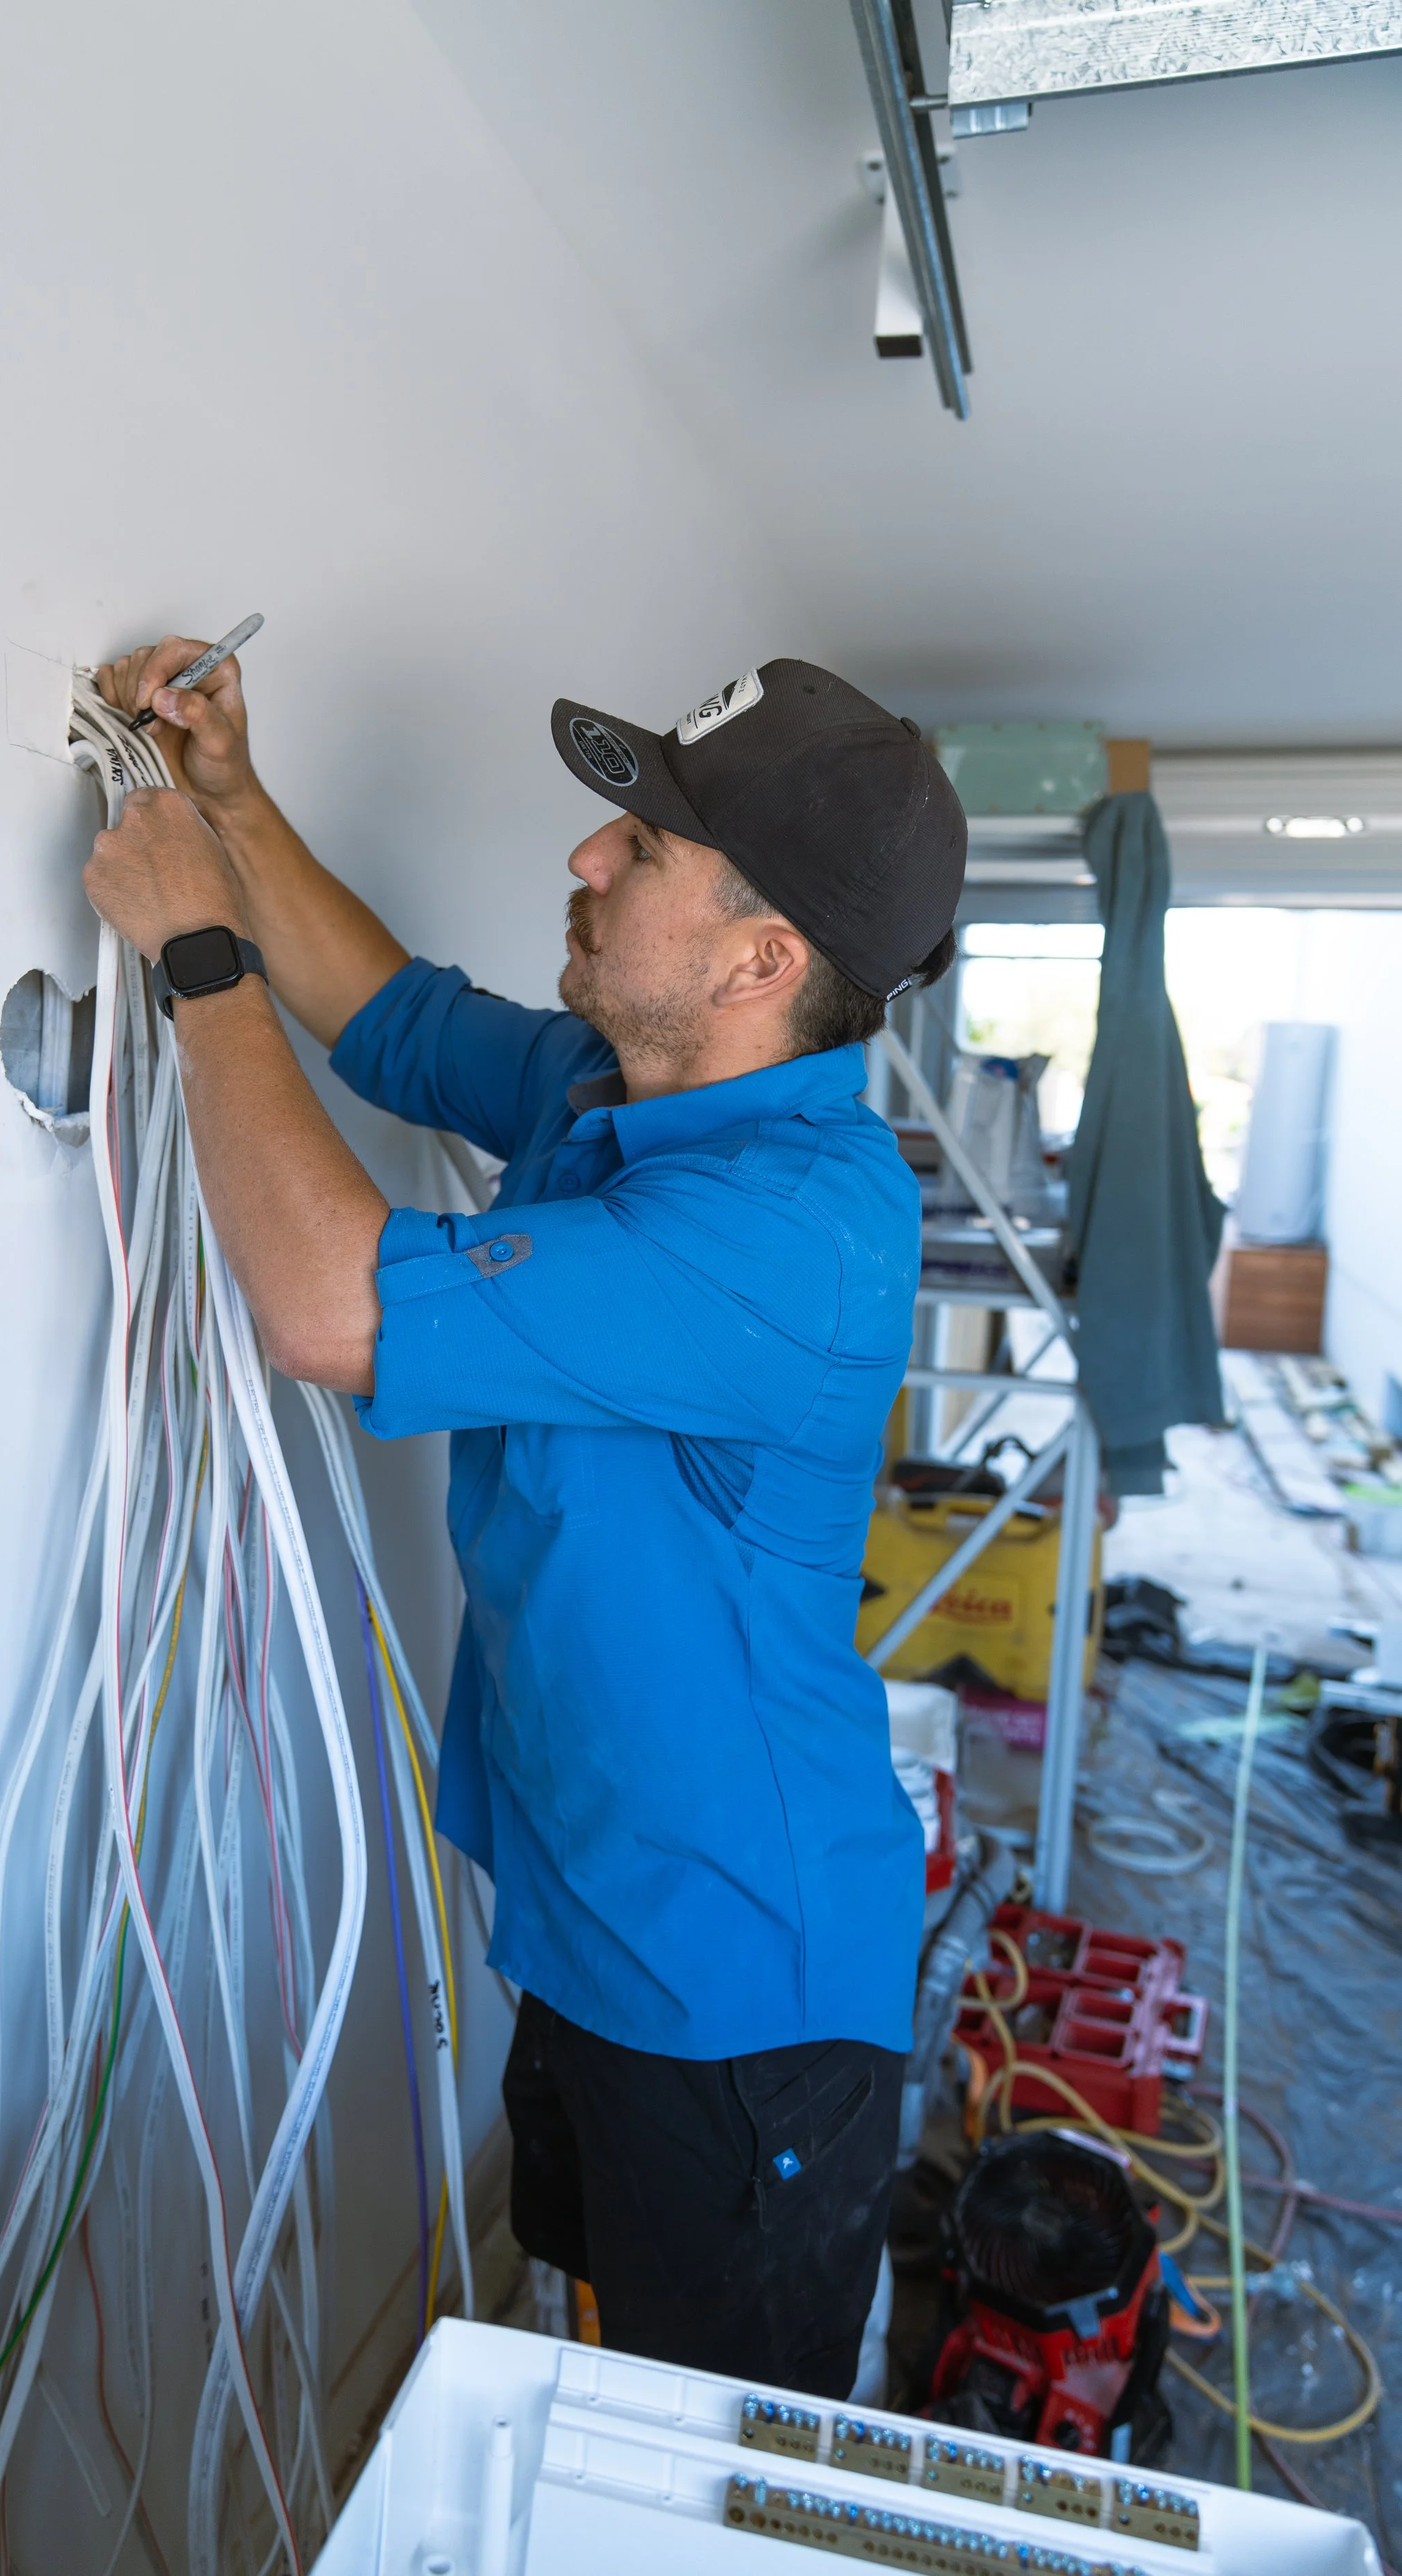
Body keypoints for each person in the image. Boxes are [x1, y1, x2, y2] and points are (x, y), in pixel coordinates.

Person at [84, 643, 966, 2397]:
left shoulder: (794, 1232)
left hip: (738, 2002)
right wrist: (234, 809)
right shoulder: (615, 1095)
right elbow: (396, 1022)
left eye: (638, 849)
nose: (585, 855)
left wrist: (199, 958)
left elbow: (331, 1309)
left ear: (758, 959)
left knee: (697, 2474)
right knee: (586, 2351)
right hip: (589, 1918)